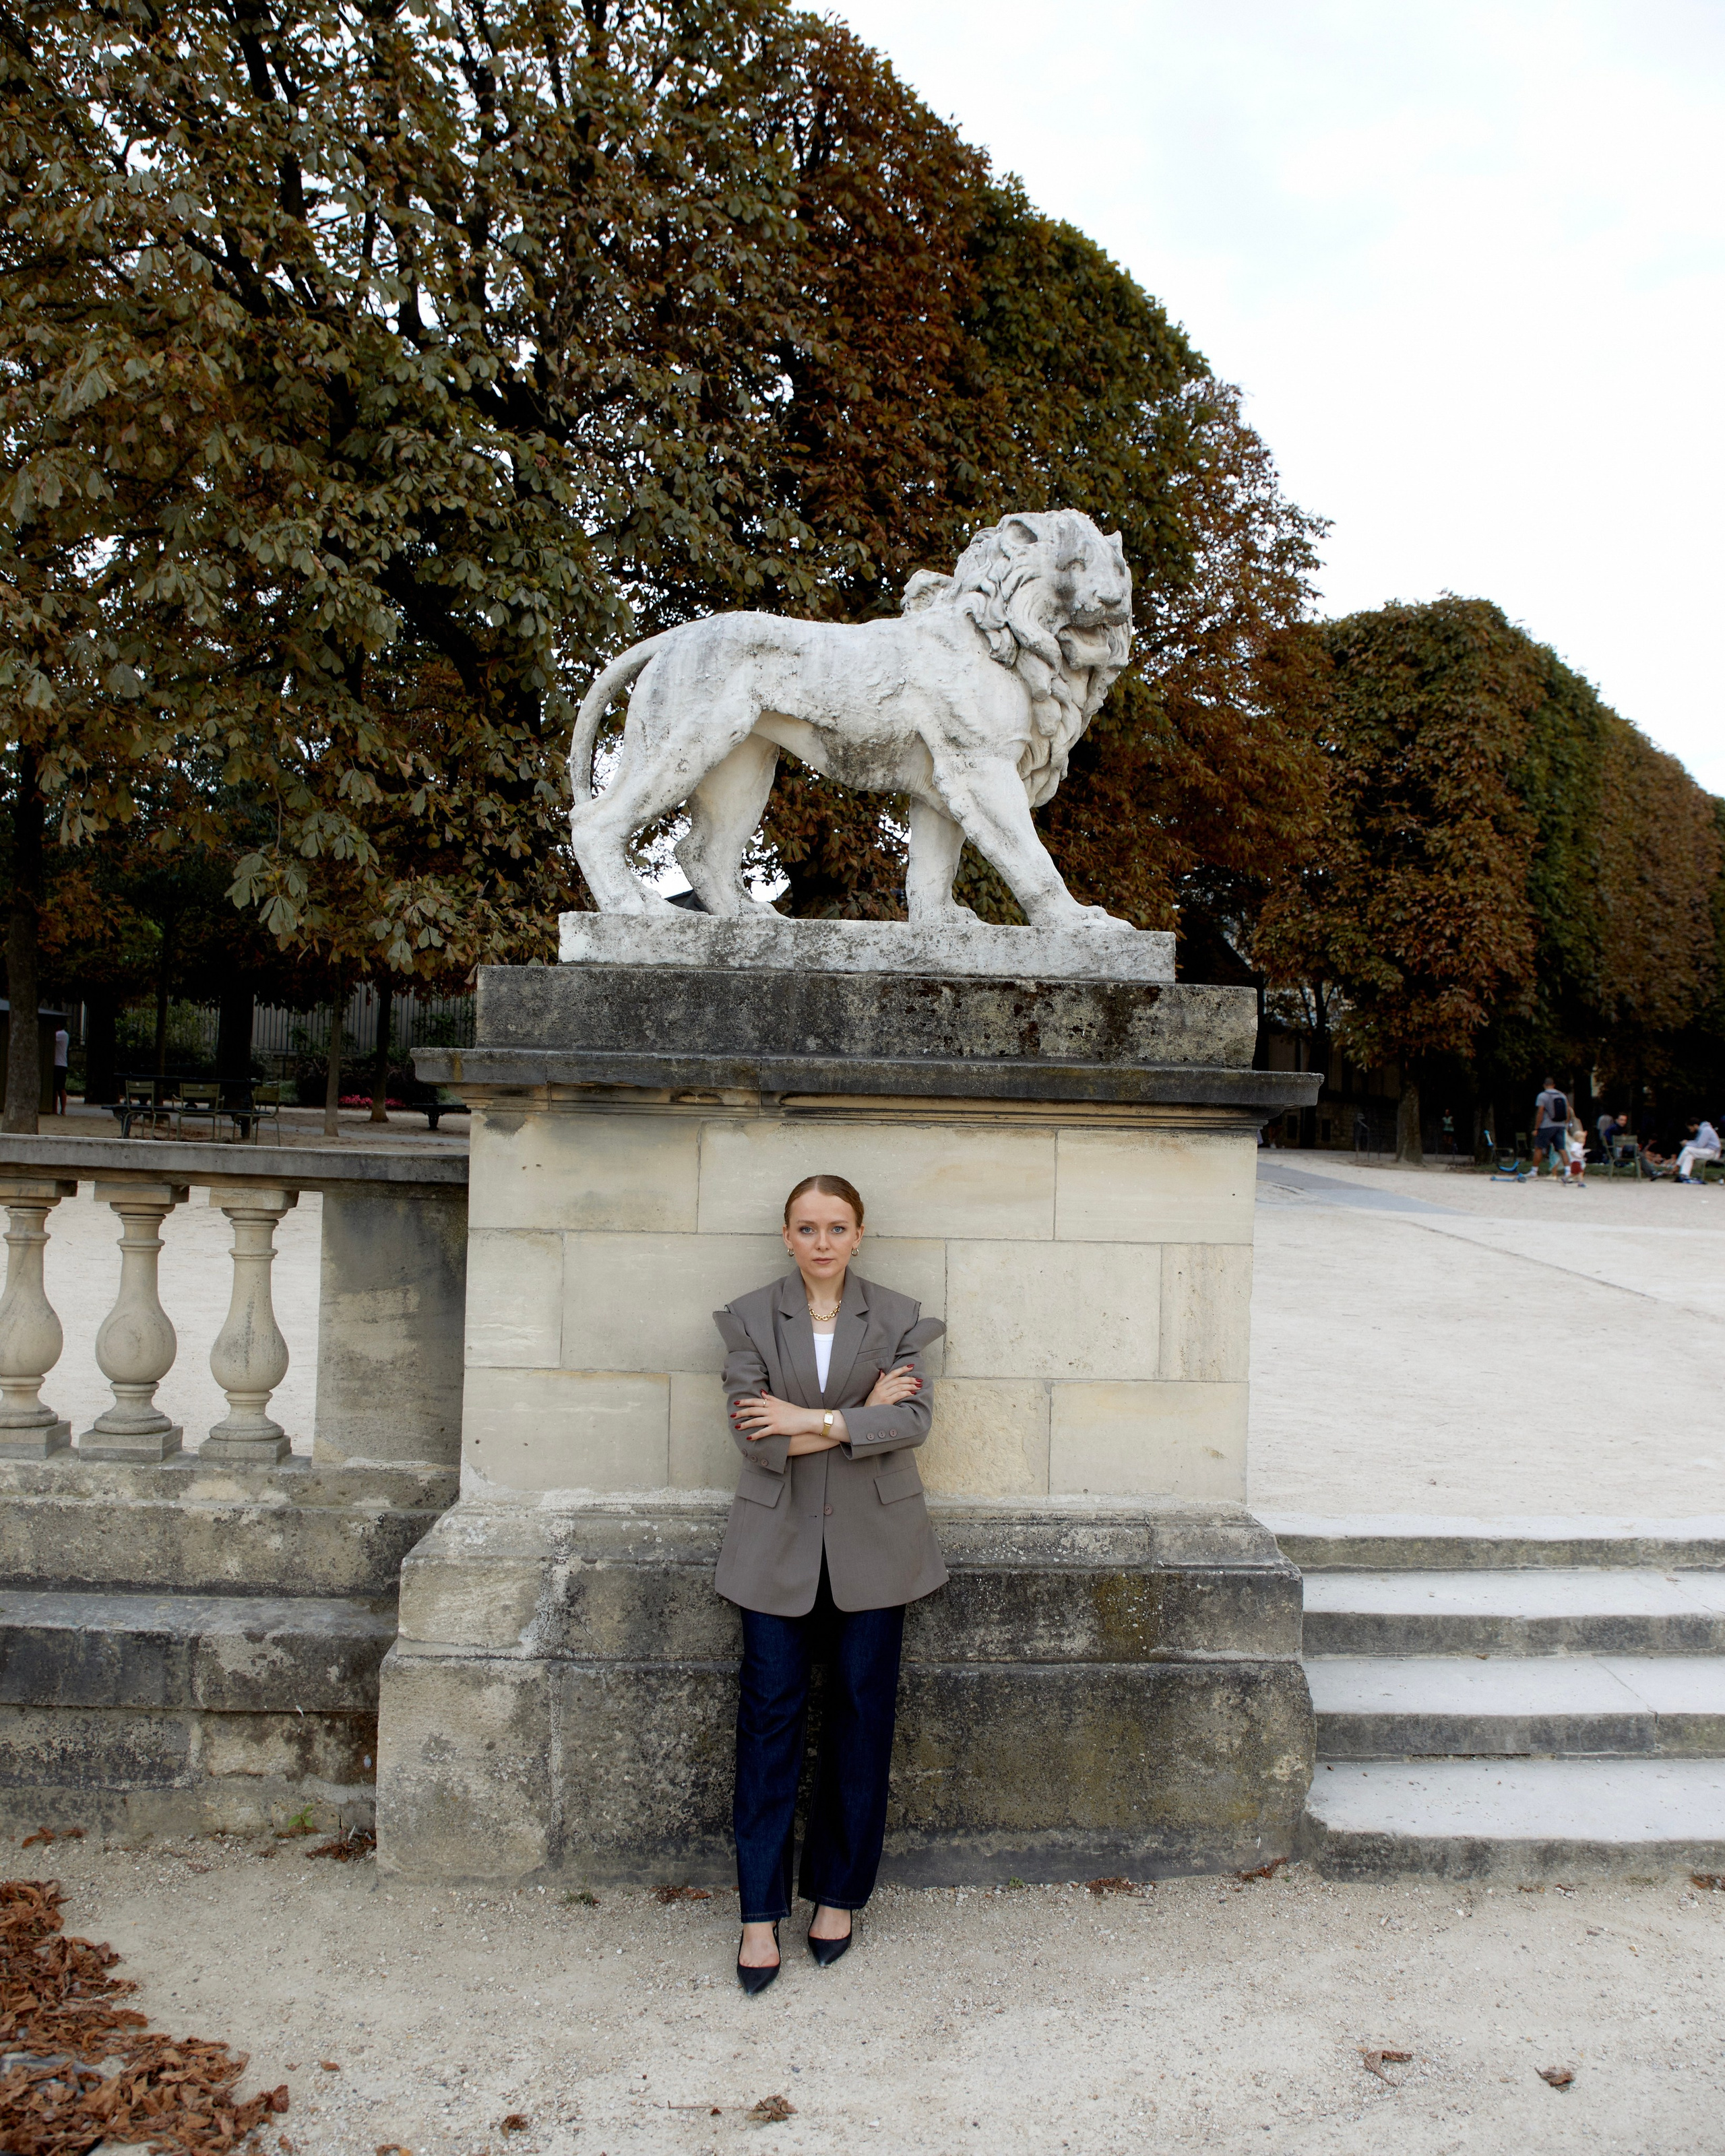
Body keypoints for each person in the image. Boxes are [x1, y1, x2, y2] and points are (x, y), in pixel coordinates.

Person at [716, 1174, 945, 1994]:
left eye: (836, 1227)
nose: (822, 1241)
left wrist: (803, 1419)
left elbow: (911, 1422)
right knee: (767, 1721)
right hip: (772, 1546)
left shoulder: (898, 1316)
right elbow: (755, 1437)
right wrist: (854, 1417)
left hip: (877, 1546)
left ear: (859, 1234)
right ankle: (758, 1912)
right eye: (807, 1227)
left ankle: (837, 1897)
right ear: (786, 1235)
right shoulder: (748, 1316)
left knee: (861, 1718)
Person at [1532, 1076, 1570, 1177]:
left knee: (1539, 1147)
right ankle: (1568, 1171)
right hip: (1560, 1125)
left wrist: (1537, 1128)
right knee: (1562, 1149)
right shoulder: (1562, 1095)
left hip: (1546, 1125)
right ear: (1554, 1085)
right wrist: (1565, 1123)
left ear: (1544, 1085)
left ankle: (1534, 1171)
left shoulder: (1542, 1096)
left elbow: (1540, 1112)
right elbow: (1568, 1110)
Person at [1674, 1118, 1721, 1185]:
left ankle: (1677, 1167)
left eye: (1690, 1128)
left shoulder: (1706, 1130)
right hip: (1706, 1151)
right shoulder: (1702, 1130)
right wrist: (1688, 1143)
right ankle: (1684, 1175)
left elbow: (1700, 1145)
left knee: (1688, 1149)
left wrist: (1687, 1143)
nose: (1690, 1130)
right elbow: (1697, 1143)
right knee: (1689, 1155)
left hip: (1712, 1152)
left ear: (1695, 1126)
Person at [51, 1025, 68, 1115]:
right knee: (58, 1088)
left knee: (59, 1088)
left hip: (59, 1064)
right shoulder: (65, 1035)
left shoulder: (60, 1034)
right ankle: (59, 1109)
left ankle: (60, 1109)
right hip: (61, 1064)